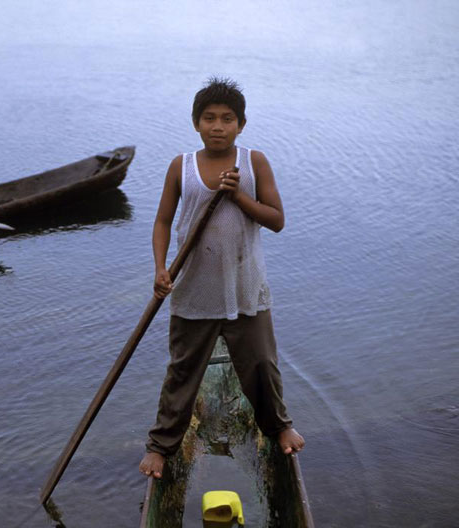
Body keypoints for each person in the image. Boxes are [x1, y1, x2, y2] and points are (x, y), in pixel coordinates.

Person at [139, 78, 305, 480]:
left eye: (227, 119)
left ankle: (278, 426)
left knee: (262, 364)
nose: (218, 126)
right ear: (196, 123)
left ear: (241, 124)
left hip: (244, 286)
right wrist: (161, 269)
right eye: (209, 118)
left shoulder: (254, 162)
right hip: (195, 286)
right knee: (182, 371)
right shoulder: (182, 166)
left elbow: (277, 220)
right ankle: (161, 446)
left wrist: (239, 198)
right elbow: (162, 221)